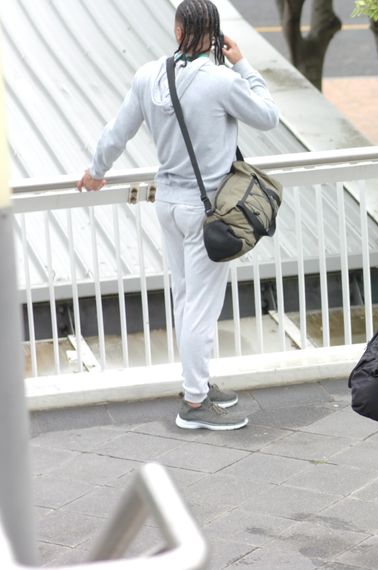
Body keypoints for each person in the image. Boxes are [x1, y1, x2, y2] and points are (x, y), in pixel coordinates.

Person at [77, 0, 279, 430]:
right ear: (214, 36)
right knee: (201, 308)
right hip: (207, 210)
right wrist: (244, 65)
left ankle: (199, 385)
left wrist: (96, 172)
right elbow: (268, 117)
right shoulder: (222, 80)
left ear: (176, 29)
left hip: (167, 203)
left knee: (186, 300)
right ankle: (193, 404)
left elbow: (118, 132)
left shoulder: (148, 75)